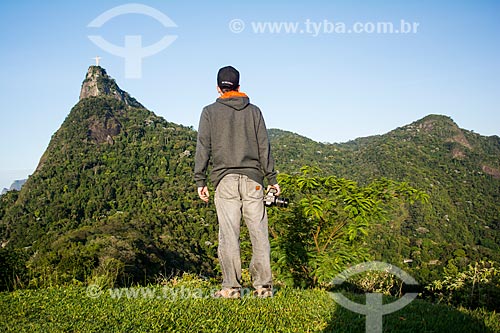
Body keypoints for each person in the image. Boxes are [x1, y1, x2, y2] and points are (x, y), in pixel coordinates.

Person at [194, 66, 280, 298]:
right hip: (254, 180)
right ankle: (263, 288)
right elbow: (264, 146)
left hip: (225, 180)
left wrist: (200, 179)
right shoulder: (254, 111)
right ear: (239, 87)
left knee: (229, 234)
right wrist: (272, 178)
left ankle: (231, 289)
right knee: (259, 233)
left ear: (218, 87)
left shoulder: (209, 112)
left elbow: (204, 147)